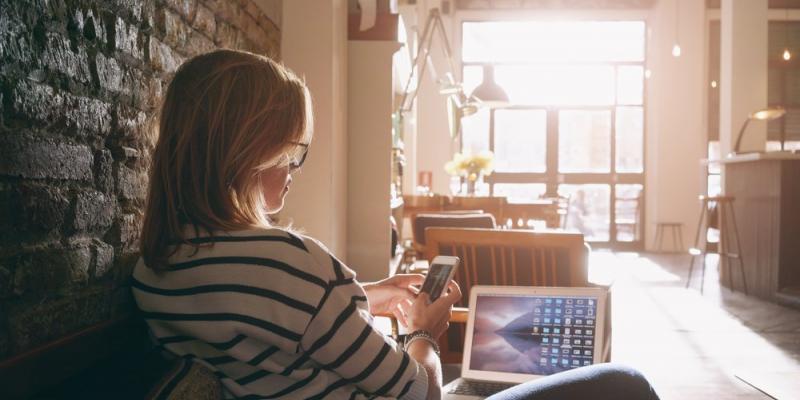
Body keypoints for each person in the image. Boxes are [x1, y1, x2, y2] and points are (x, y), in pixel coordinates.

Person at [134, 49, 659, 400]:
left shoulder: (157, 268)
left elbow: (256, 316)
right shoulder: (290, 261)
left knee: (484, 383)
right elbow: (419, 391)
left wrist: (364, 292)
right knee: (624, 382)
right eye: (291, 151)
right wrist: (421, 331)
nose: (294, 170)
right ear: (248, 152)